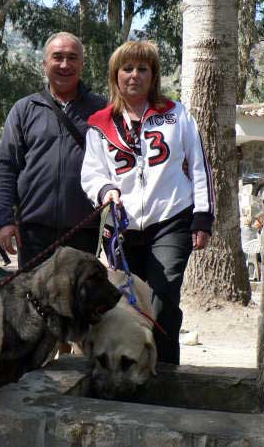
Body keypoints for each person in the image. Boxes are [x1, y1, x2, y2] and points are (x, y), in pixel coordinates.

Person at [81, 40, 215, 365]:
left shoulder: (177, 114)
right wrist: (105, 191)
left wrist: (202, 217)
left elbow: (199, 166)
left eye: (143, 69)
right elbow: (92, 173)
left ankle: (166, 373)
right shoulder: (100, 125)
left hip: (171, 219)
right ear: (116, 75)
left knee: (163, 298)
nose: (134, 75)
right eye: (127, 68)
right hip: (123, 225)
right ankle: (128, 369)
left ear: (153, 75)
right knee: (126, 303)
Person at [0, 32, 107, 267]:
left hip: (84, 230)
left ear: (82, 64)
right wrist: (4, 221)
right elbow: (6, 168)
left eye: (72, 58)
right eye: (57, 57)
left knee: (78, 303)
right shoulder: (24, 109)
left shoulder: (103, 111)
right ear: (45, 64)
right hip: (33, 232)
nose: (65, 64)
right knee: (33, 301)